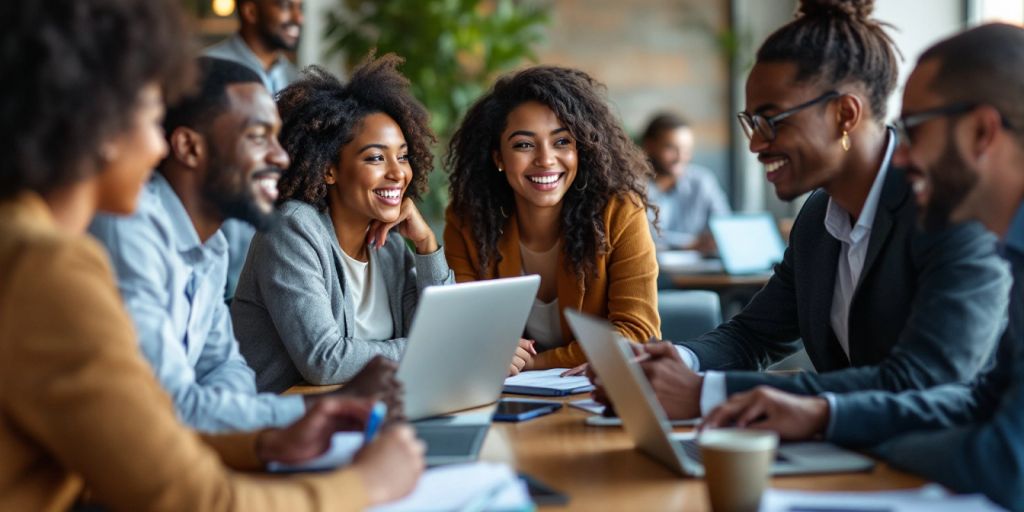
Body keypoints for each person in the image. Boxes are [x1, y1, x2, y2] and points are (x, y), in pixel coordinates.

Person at [0, 1, 423, 510]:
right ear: (99, 120)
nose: (159, 146)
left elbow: (217, 378)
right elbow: (188, 490)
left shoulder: (40, 245)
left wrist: (268, 436)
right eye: (153, 115)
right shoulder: (46, 265)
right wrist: (367, 484)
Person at [590, 0, 1010, 420]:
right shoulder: (819, 217)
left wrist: (708, 392)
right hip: (852, 458)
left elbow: (921, 380)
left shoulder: (949, 209)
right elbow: (754, 334)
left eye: (773, 120)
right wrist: (675, 362)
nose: (756, 144)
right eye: (752, 123)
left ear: (844, 114)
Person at [701, 23, 1024, 511]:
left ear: (982, 132)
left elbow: (1005, 461)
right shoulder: (1013, 248)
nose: (904, 153)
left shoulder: (968, 231)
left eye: (915, 130)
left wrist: (840, 437)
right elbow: (979, 401)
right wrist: (821, 417)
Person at [89, 57, 399, 432]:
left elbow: (225, 366)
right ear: (189, 147)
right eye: (257, 137)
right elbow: (167, 408)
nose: (280, 156)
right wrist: (327, 408)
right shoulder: (130, 230)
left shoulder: (213, 244)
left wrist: (237, 417)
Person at [232, 55, 454, 393]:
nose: (398, 173)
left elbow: (443, 330)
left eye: (403, 155)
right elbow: (325, 360)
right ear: (328, 170)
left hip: (366, 410)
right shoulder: (292, 229)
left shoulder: (389, 243)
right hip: (284, 422)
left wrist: (425, 246)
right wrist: (430, 349)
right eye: (376, 158)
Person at [444, 65, 661, 374]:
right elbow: (463, 331)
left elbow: (638, 335)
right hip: (504, 399)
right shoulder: (469, 222)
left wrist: (535, 362)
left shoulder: (620, 213)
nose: (546, 159)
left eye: (562, 142)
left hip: (597, 397)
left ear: (581, 149)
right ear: (498, 158)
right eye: (524, 144)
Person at [205, 0, 303, 300]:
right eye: (285, 6)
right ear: (249, 10)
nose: (297, 18)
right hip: (219, 237)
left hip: (275, 248)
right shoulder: (206, 70)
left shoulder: (300, 80)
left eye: (300, 8)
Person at [641, 112, 731, 251]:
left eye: (687, 149)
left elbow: (725, 227)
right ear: (650, 145)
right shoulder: (631, 186)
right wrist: (690, 243)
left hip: (696, 269)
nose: (681, 157)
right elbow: (640, 239)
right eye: (671, 148)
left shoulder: (702, 181)